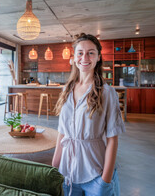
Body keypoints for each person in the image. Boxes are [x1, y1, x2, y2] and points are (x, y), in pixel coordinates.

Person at [52, 33, 125, 196]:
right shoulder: (66, 90)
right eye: (80, 53)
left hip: (96, 174)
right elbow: (62, 133)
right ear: (74, 57)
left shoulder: (107, 93)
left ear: (98, 57)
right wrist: (55, 166)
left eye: (91, 52)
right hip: (67, 173)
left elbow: (112, 139)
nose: (84, 57)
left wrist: (105, 180)